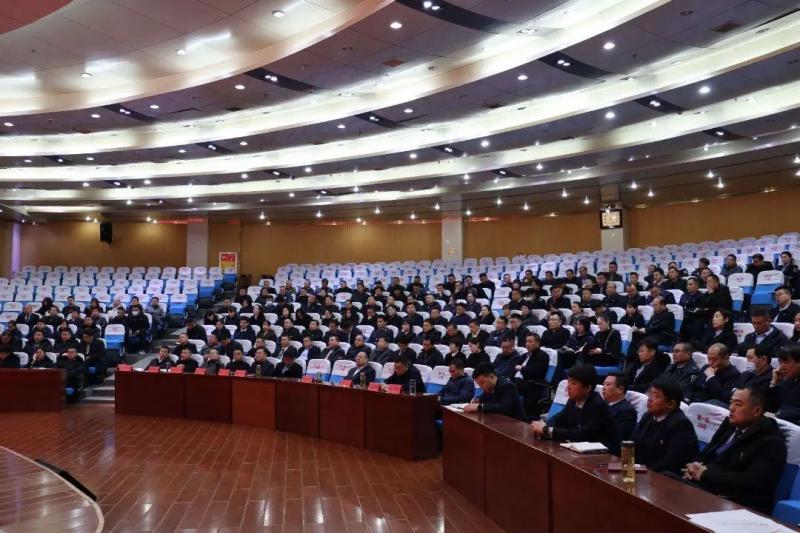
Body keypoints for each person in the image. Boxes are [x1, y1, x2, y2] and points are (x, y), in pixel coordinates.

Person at [683, 386, 786, 514]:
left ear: (757, 411)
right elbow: (708, 452)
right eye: (731, 402)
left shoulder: (771, 442)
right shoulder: (730, 425)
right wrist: (692, 466)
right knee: (669, 479)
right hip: (708, 487)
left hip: (736, 502)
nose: (731, 408)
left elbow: (751, 482)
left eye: (738, 404)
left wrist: (705, 474)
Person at [530, 364, 619, 453]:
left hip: (606, 456)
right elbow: (559, 419)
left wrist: (547, 430)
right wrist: (544, 425)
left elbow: (583, 435)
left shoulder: (598, 405)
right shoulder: (572, 400)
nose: (568, 387)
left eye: (573, 383)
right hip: (581, 452)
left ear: (588, 388)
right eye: (568, 382)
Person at [631, 378, 698, 475]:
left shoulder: (680, 424)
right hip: (639, 469)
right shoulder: (648, 416)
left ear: (671, 404)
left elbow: (671, 462)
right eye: (650, 394)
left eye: (656, 396)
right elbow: (633, 443)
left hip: (661, 475)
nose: (649, 399)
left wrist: (641, 471)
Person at [768, 345, 800, 423]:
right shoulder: (785, 382)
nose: (781, 367)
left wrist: (779, 415)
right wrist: (774, 383)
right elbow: (771, 407)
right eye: (780, 363)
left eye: (786, 362)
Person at [602, 372, 637, 442]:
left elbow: (618, 438)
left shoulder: (627, 411)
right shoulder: (602, 404)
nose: (603, 388)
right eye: (603, 384)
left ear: (620, 389)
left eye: (608, 385)